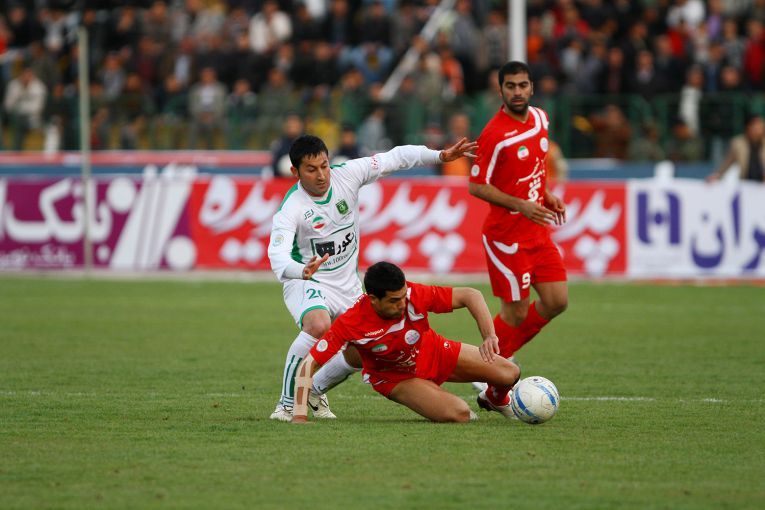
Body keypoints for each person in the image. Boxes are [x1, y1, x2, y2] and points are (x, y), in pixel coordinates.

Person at [267, 134, 477, 421]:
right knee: (318, 324)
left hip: (348, 285)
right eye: (311, 169)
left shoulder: (348, 174)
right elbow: (277, 255)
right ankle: (287, 404)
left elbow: (396, 157)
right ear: (295, 171)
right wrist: (300, 270)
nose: (321, 175)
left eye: (324, 166)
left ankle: (315, 389)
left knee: (362, 349)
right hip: (307, 281)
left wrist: (439, 156)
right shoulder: (292, 207)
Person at [291, 261, 521, 423]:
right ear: (373, 299)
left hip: (435, 351)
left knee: (510, 373)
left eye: (403, 297)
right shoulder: (351, 322)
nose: (402, 304)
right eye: (394, 301)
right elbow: (309, 363)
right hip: (397, 378)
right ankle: (427, 393)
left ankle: (494, 399)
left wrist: (489, 335)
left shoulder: (413, 294)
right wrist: (299, 416)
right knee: (461, 414)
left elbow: (471, 295)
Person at [468, 61, 568, 407]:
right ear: (501, 90)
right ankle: (488, 370)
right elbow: (477, 186)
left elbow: (535, 166)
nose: (517, 92)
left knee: (557, 301)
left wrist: (545, 195)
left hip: (537, 230)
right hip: (506, 237)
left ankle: (493, 362)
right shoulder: (494, 134)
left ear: (532, 87)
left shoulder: (541, 119)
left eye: (522, 85)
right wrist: (520, 204)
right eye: (510, 86)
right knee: (516, 313)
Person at [706, 114, 765, 182]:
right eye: (757, 126)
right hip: (746, 183)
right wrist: (717, 175)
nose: (760, 129)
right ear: (748, 127)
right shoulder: (738, 144)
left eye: (761, 126)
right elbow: (727, 163)